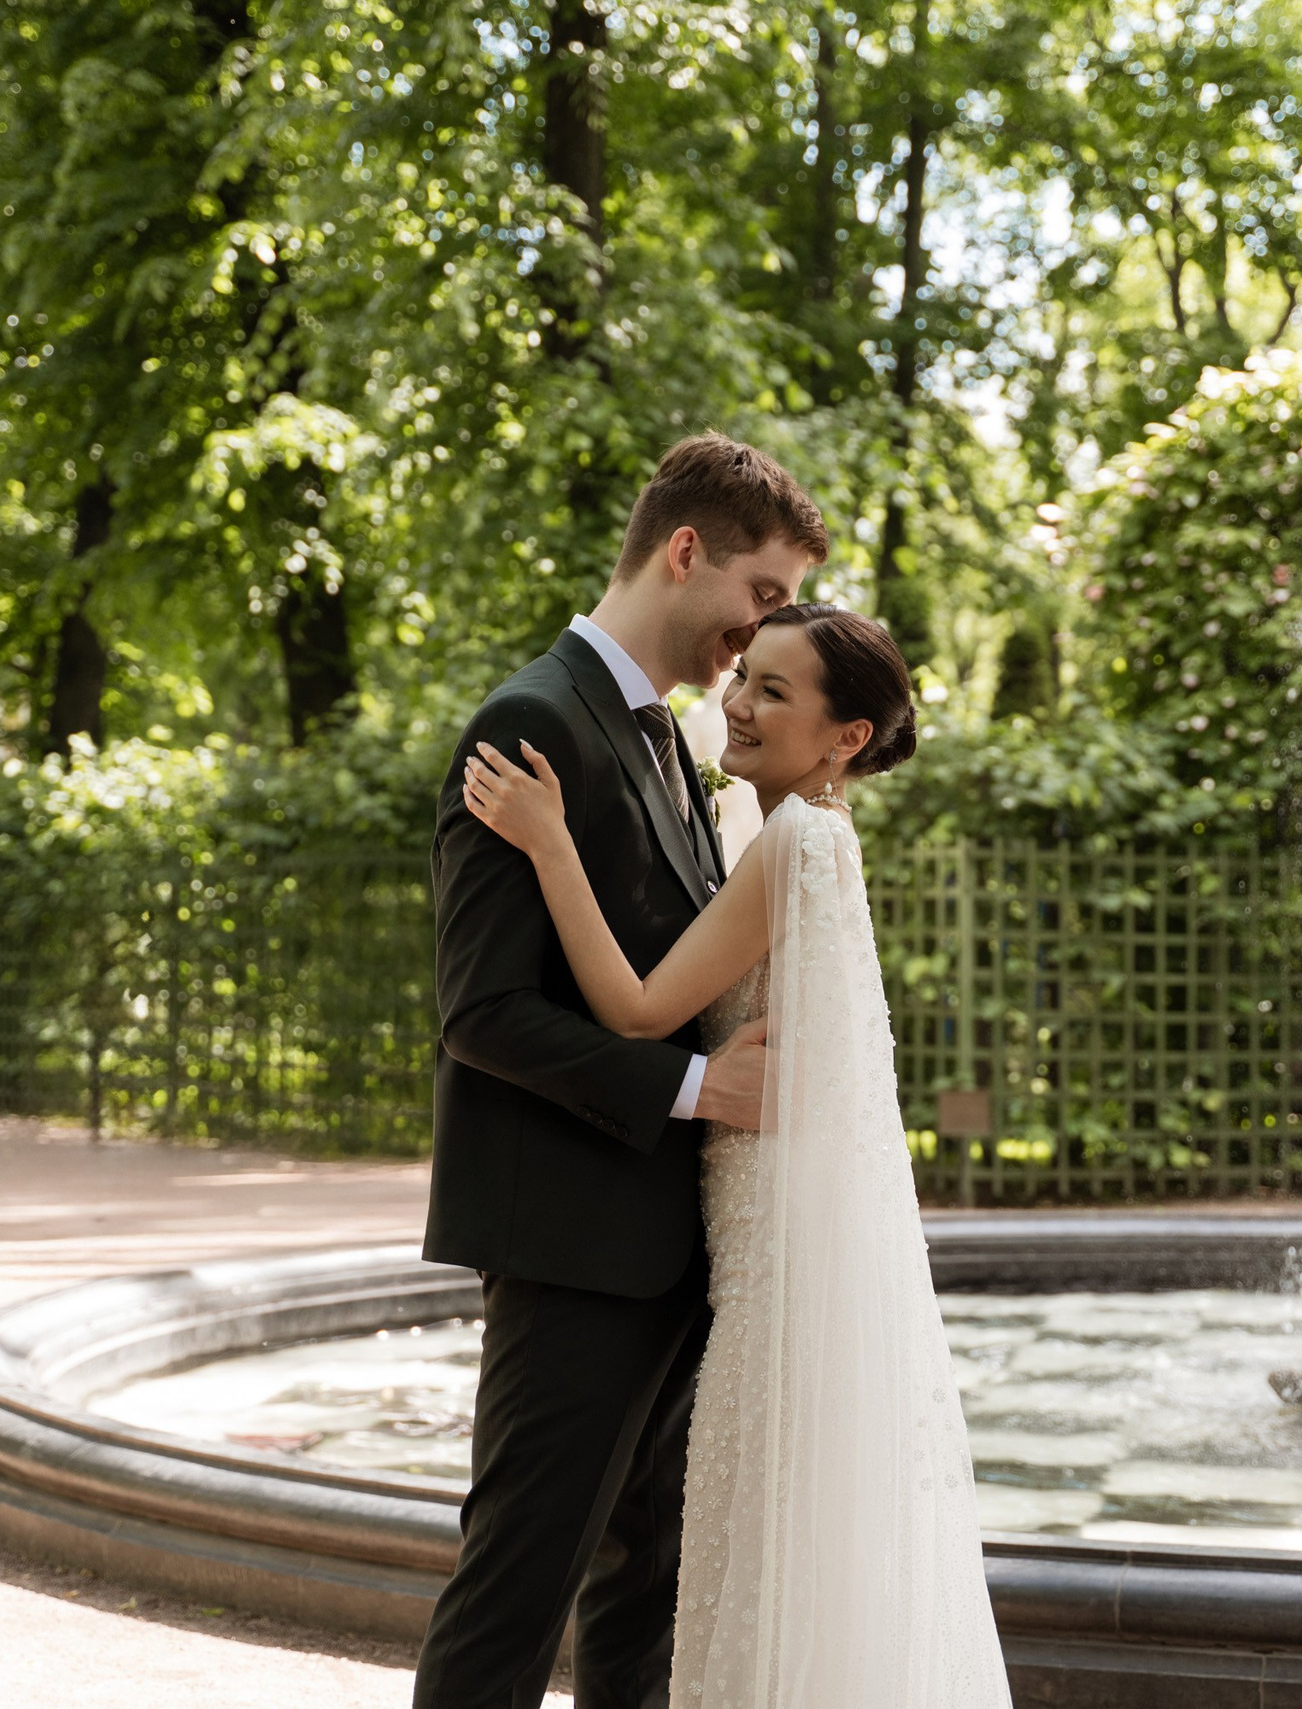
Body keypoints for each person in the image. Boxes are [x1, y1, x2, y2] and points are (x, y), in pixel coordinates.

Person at [462, 604, 1011, 1709]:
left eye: (773, 691)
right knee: (745, 1545)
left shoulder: (796, 841)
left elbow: (633, 1006)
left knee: (743, 1540)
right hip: (755, 1227)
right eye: (743, 676)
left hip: (761, 1244)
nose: (736, 703)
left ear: (844, 736)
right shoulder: (799, 836)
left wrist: (550, 839)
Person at [415, 433, 820, 1709]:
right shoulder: (534, 720)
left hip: (670, 1242)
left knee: (643, 1598)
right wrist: (701, 1094)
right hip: (573, 1244)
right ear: (685, 549)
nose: (762, 633)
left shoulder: (666, 736)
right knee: (514, 1599)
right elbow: (482, 1012)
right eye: (761, 594)